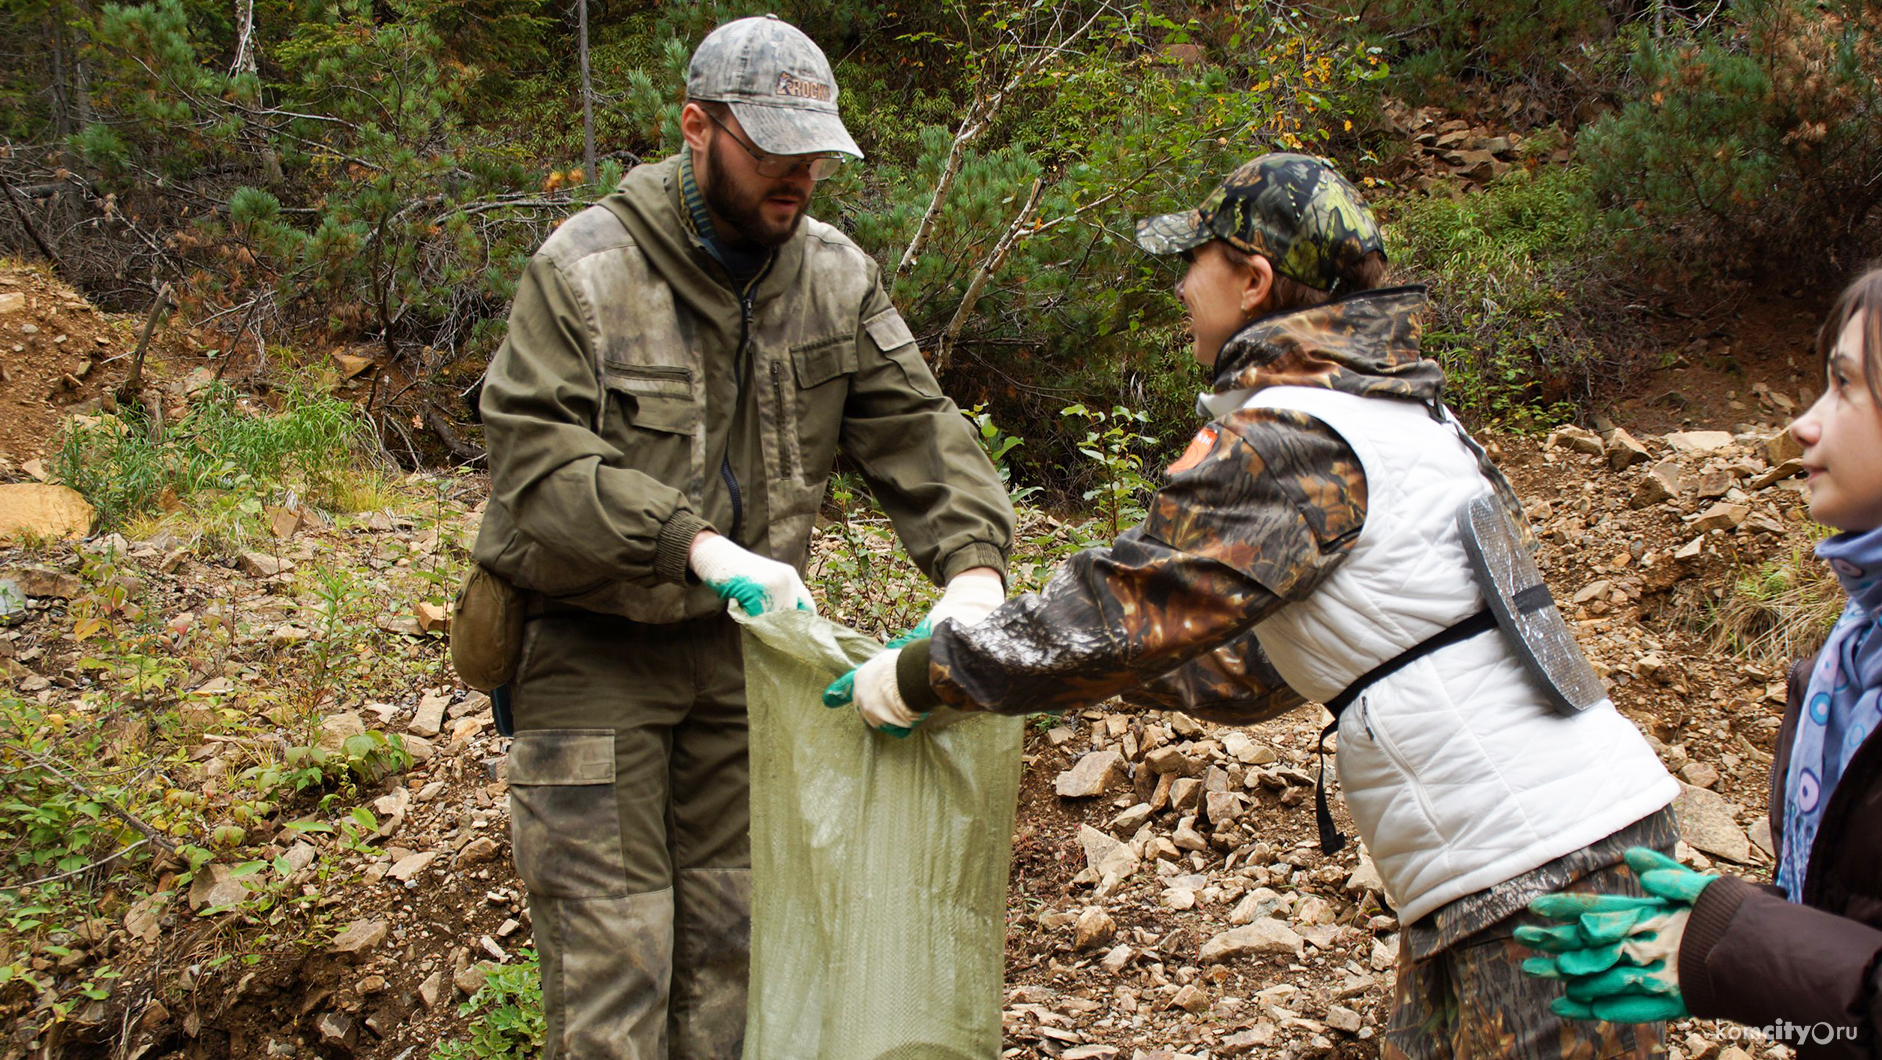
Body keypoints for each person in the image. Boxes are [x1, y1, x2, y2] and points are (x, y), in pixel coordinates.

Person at [827, 152, 1682, 1059]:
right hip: (1579, 853)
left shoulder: (1289, 434)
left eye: (1192, 264)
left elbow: (1122, 608)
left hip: (1536, 876)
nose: (1181, 289)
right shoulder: (1394, 416)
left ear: (1253, 279)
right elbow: (1249, 665)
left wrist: (924, 674)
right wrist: (1071, 673)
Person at [469, 15, 1015, 1059]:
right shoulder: (584, 270)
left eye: (813, 154)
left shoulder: (832, 276)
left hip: (744, 667)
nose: (798, 175)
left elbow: (917, 431)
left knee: (737, 960)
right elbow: (537, 466)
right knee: (612, 971)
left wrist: (973, 571)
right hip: (590, 653)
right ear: (695, 127)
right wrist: (700, 546)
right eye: (771, 148)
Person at [1518, 266, 1882, 1059]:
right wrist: (1738, 937)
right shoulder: (1850, 656)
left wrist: (1727, 955)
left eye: (1847, 387)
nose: (1804, 426)